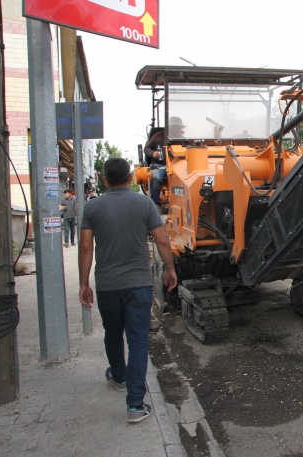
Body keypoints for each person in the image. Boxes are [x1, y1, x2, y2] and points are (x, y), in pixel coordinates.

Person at [78, 157, 177, 423]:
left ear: (105, 179)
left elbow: (86, 248)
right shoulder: (144, 203)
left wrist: (83, 283)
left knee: (112, 334)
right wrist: (170, 269)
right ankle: (135, 405)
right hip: (139, 286)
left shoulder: (92, 207)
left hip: (107, 285)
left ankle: (119, 377)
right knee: (137, 342)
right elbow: (162, 239)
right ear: (131, 177)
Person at [144, 116, 186, 205]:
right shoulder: (158, 136)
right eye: (177, 127)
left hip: (178, 166)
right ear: (171, 127)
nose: (179, 129)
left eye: (179, 127)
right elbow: (146, 148)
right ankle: (155, 205)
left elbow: (192, 147)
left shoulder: (182, 140)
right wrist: (152, 153)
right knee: (155, 181)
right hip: (160, 165)